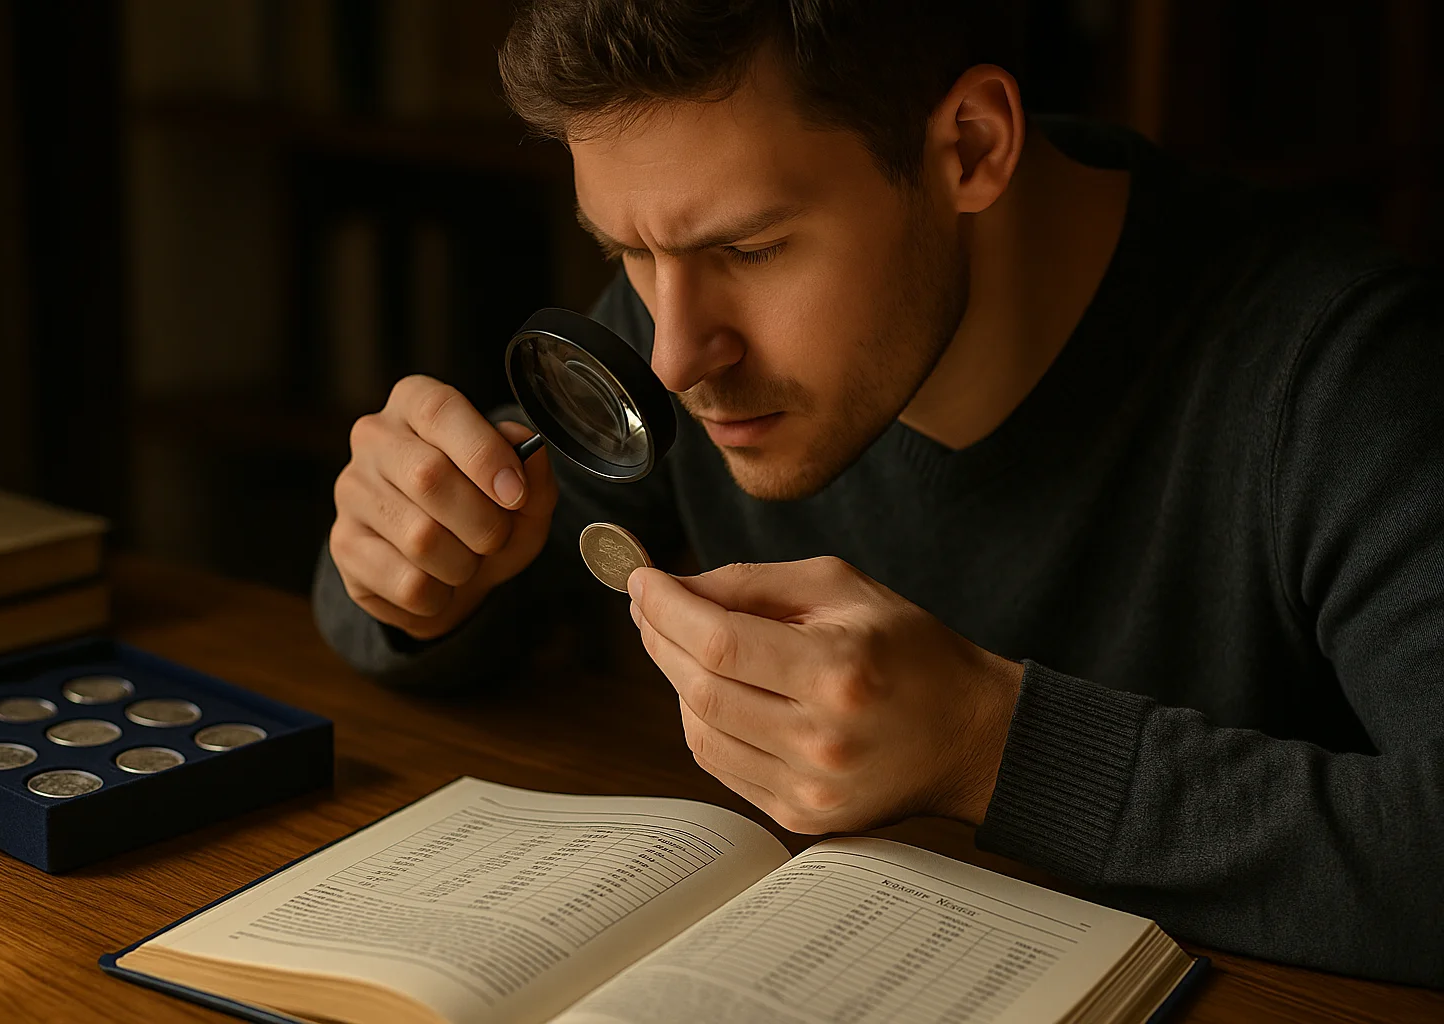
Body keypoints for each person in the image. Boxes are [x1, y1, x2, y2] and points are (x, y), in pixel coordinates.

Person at [312, 0, 1444, 986]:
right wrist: (421, 564)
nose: (673, 356)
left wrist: (992, 747)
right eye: (627, 253)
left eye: (753, 249)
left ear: (970, 146)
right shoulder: (687, 326)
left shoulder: (1351, 374)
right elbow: (383, 621)